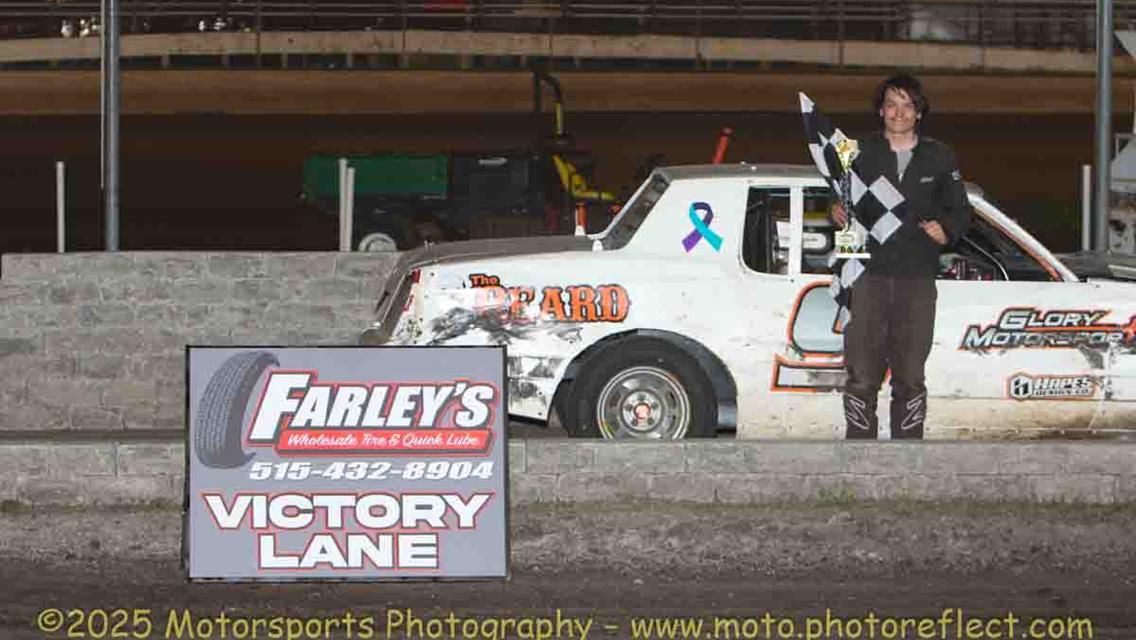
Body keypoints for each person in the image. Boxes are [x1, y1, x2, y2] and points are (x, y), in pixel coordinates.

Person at [830, 73, 970, 440]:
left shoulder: (940, 156)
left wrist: (947, 230)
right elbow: (841, 198)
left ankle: (909, 457)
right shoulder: (858, 152)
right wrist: (837, 211)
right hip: (867, 276)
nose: (899, 112)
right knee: (861, 373)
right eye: (891, 104)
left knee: (910, 373)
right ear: (881, 110)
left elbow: (961, 212)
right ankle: (858, 454)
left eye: (907, 105)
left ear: (919, 112)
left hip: (917, 278)